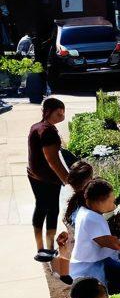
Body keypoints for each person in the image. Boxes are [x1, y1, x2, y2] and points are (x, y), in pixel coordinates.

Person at [69, 179, 120, 293]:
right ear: (100, 201)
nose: (114, 205)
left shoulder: (86, 211)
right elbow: (117, 245)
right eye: (112, 201)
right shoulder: (92, 218)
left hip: (92, 263)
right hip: (89, 269)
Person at [27, 97, 69, 263]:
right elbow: (53, 160)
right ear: (53, 111)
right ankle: (49, 248)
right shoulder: (48, 131)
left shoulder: (37, 126)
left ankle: (41, 247)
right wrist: (67, 179)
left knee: (41, 208)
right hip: (47, 179)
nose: (62, 115)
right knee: (51, 211)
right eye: (60, 112)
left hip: (34, 175)